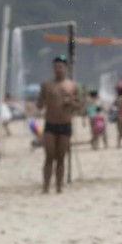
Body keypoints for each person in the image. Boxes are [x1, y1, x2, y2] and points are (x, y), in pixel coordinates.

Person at [37, 55, 81, 193]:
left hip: (65, 124)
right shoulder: (47, 85)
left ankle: (59, 186)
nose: (58, 70)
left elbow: (79, 106)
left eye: (61, 67)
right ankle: (45, 186)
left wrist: (71, 103)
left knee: (61, 157)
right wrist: (42, 101)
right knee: (49, 156)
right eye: (56, 67)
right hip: (50, 124)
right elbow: (39, 104)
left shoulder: (72, 85)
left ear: (65, 68)